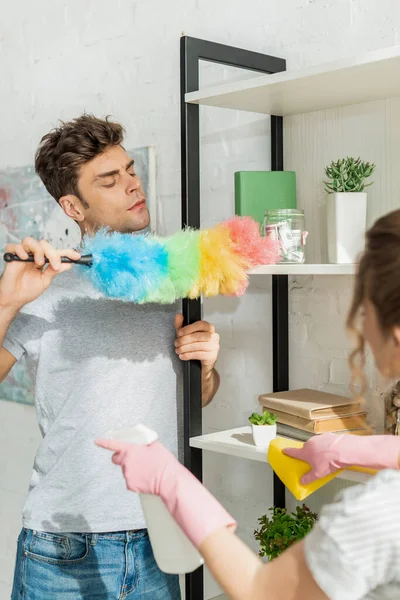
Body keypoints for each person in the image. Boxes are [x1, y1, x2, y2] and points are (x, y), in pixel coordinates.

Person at [98, 209, 400, 600]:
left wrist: (172, 483)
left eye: (364, 311)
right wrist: (350, 447)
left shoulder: (378, 512)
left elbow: (263, 592)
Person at [0, 114, 221, 600]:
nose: (132, 185)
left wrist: (205, 366)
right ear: (72, 205)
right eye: (110, 179)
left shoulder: (175, 281)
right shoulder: (46, 284)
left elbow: (196, 400)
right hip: (61, 545)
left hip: (157, 532)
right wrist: (7, 302)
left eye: (130, 170)